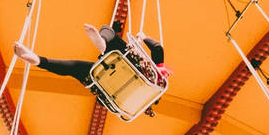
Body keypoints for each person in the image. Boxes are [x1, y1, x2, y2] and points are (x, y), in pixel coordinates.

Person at [13, 22, 165, 90]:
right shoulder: (154, 84)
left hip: (125, 69)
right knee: (75, 67)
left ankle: (103, 43)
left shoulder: (155, 75)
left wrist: (144, 37)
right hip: (110, 86)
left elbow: (158, 48)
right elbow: (157, 50)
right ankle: (38, 61)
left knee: (108, 31)